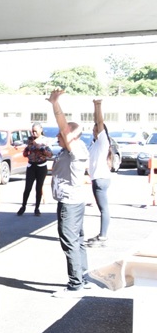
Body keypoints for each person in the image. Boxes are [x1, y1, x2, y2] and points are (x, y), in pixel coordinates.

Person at [48, 89, 91, 297]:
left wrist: (55, 104)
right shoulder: (66, 150)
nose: (57, 135)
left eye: (61, 134)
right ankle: (83, 277)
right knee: (77, 239)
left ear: (71, 135)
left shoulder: (77, 149)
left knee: (70, 240)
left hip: (70, 203)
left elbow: (64, 128)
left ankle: (76, 284)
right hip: (71, 200)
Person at [87, 99, 111, 248]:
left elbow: (99, 121)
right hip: (97, 178)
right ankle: (102, 235)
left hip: (101, 179)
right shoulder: (95, 144)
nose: (94, 130)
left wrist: (98, 106)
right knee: (102, 208)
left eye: (95, 129)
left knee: (104, 208)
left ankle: (103, 237)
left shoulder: (103, 141)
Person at [17, 123, 52, 216]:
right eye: (32, 131)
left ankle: (37, 208)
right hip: (31, 165)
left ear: (40, 130)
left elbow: (50, 154)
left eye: (35, 131)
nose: (34, 133)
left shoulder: (45, 140)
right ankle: (23, 206)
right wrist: (26, 152)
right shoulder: (30, 139)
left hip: (41, 166)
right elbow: (26, 151)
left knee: (38, 187)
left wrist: (40, 148)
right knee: (27, 187)